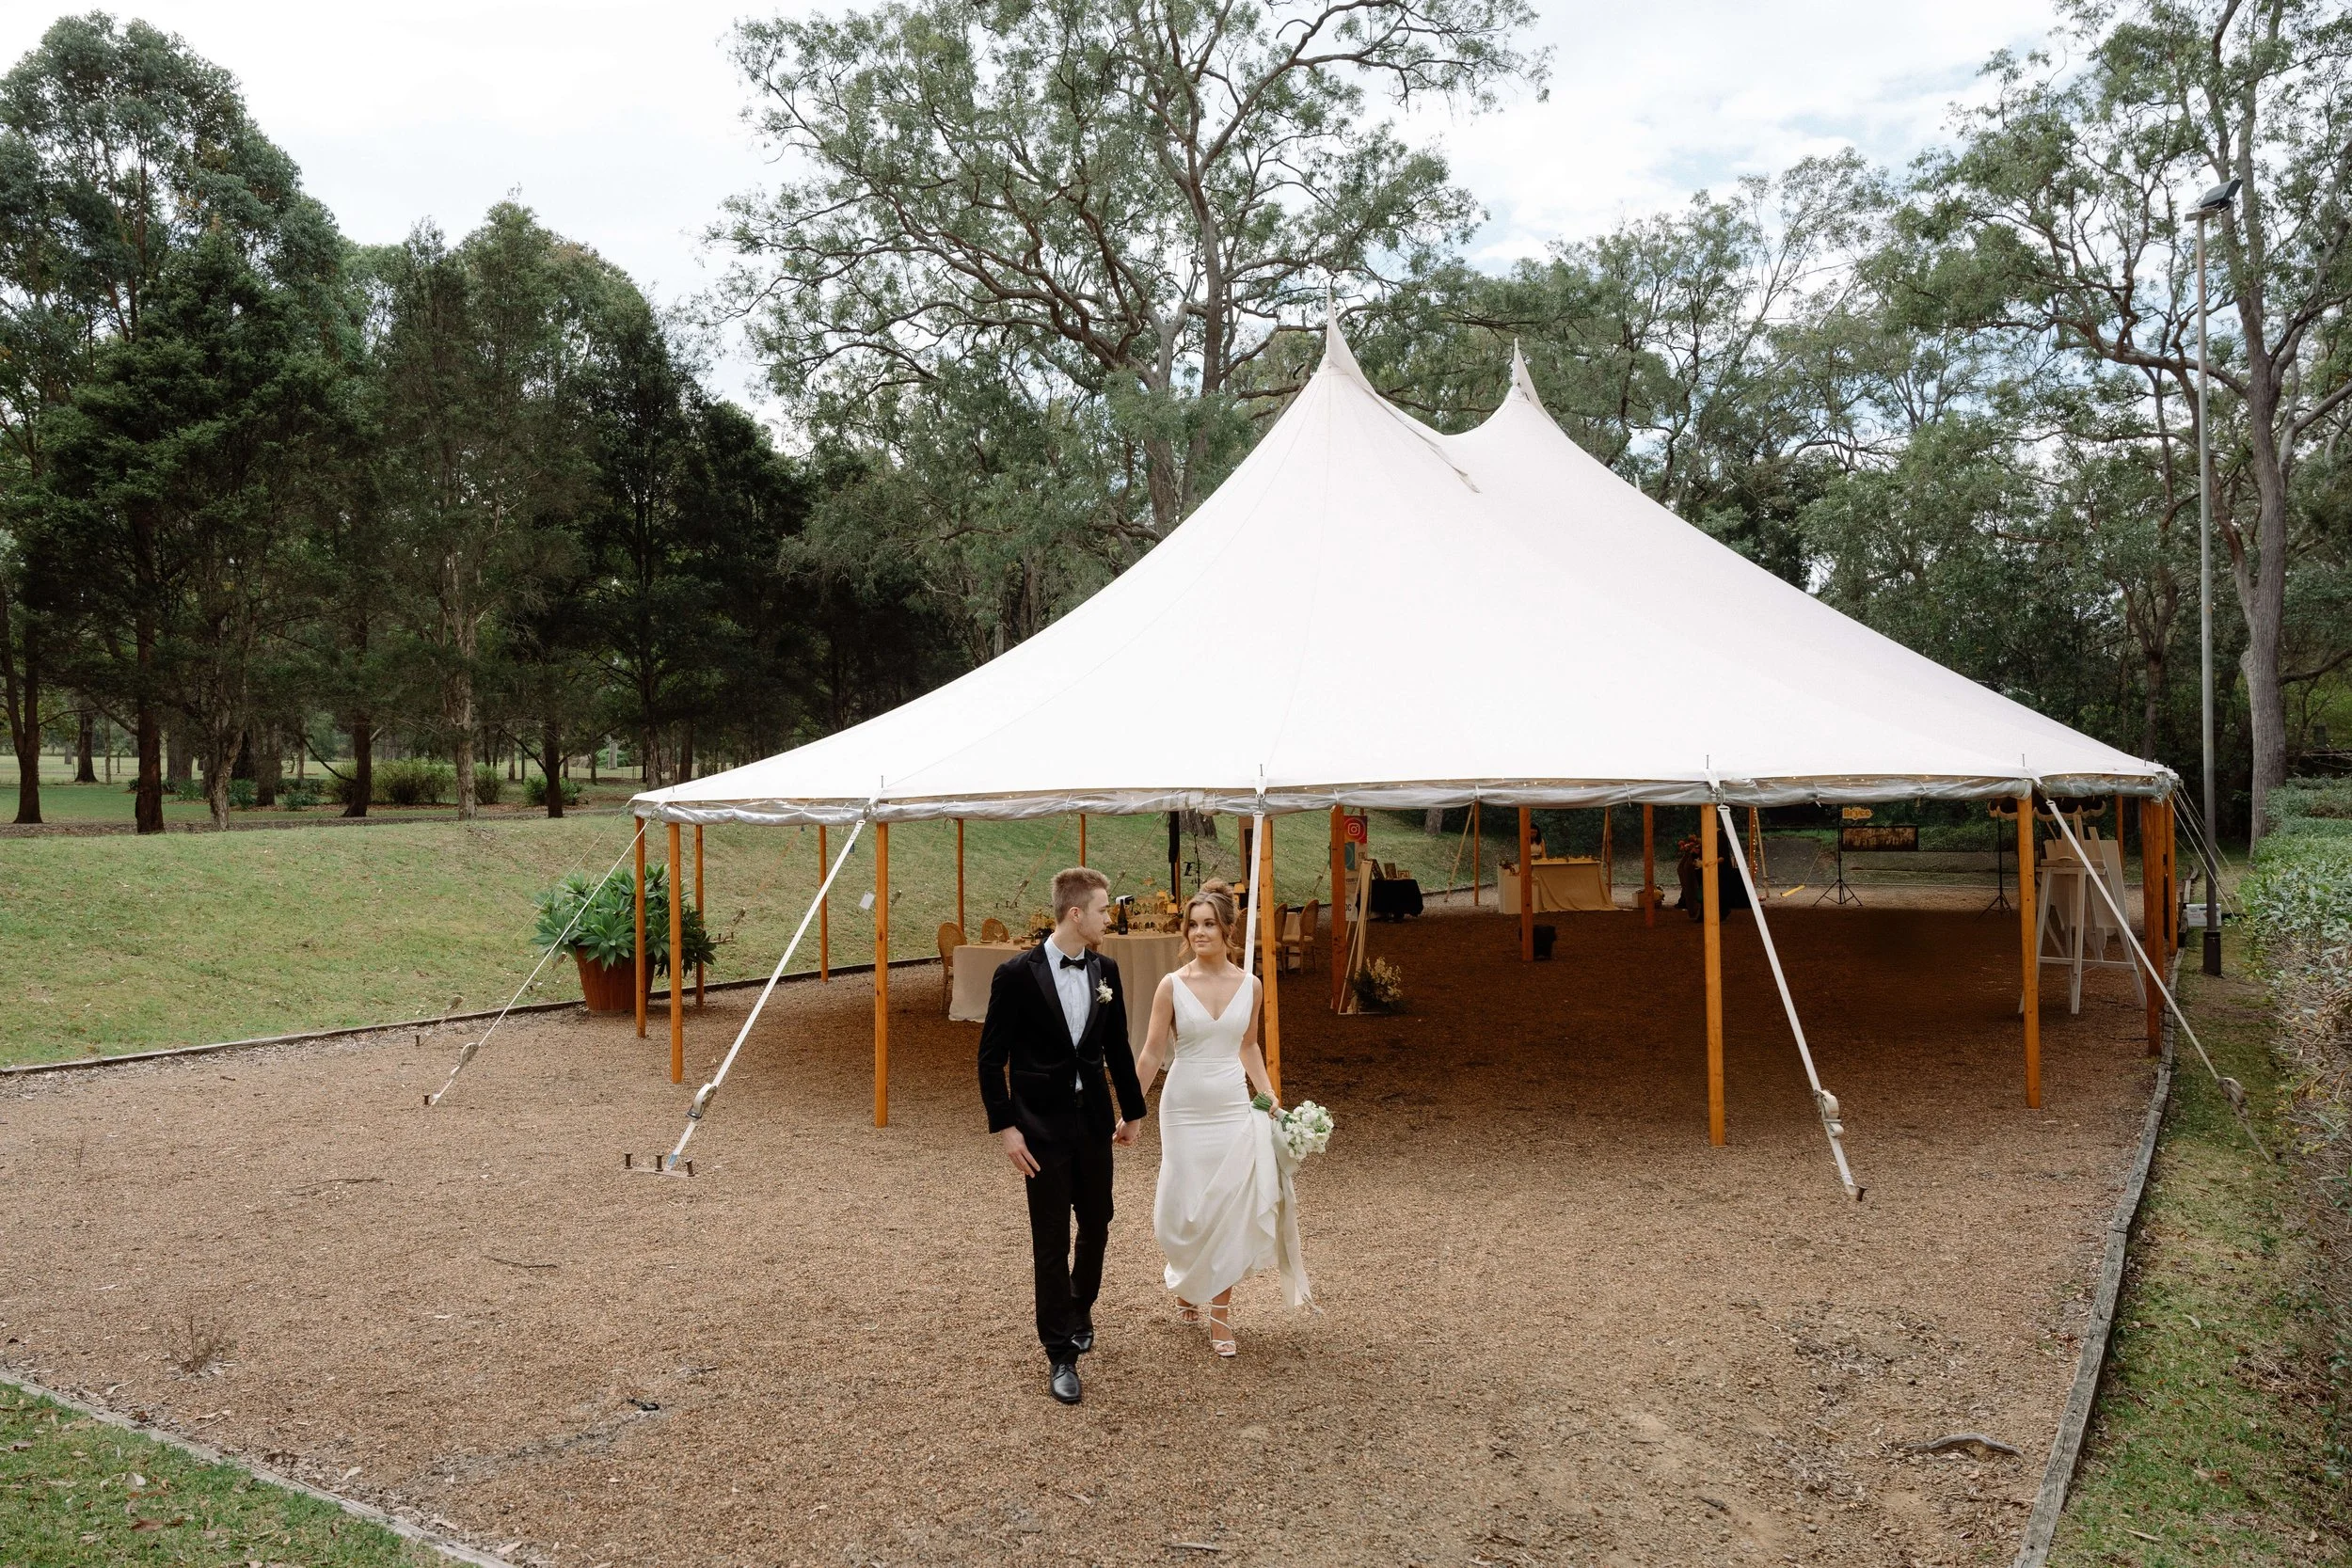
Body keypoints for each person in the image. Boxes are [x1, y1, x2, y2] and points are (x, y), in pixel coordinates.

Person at [977, 865, 1148, 1405]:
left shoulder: (1107, 971)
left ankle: (1080, 1307)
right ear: (1077, 914)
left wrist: (1135, 1111)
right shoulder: (1016, 974)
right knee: (1050, 1239)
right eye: (1102, 910)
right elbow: (990, 1058)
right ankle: (1059, 1354)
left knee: (1098, 1220)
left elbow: (1117, 1046)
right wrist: (1006, 1126)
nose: (1107, 919)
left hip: (1094, 1120)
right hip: (1039, 1128)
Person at [1132, 884, 1311, 1357]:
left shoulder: (1249, 985)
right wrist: (1132, 1109)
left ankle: (1220, 1315)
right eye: (1193, 924)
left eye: (1209, 923)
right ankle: (1189, 1276)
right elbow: (1152, 1051)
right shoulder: (1172, 985)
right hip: (1183, 1108)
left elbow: (1248, 1046)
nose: (1199, 932)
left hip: (1232, 1106)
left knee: (1227, 1205)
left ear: (1227, 929)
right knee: (1182, 1205)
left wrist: (1269, 1096)